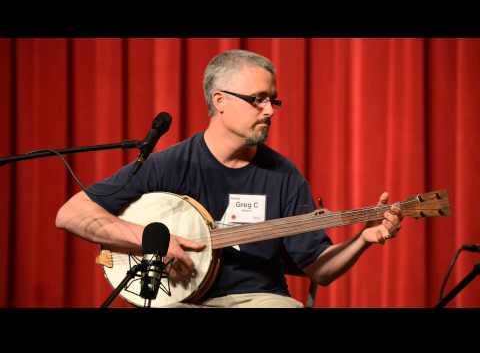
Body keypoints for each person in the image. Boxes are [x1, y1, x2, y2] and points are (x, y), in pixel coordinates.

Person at [55, 49, 403, 308]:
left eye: (272, 101)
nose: (269, 111)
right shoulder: (170, 164)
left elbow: (320, 271)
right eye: (257, 100)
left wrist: (363, 240)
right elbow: (70, 214)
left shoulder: (284, 176)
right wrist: (151, 239)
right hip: (178, 300)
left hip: (259, 299)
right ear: (219, 101)